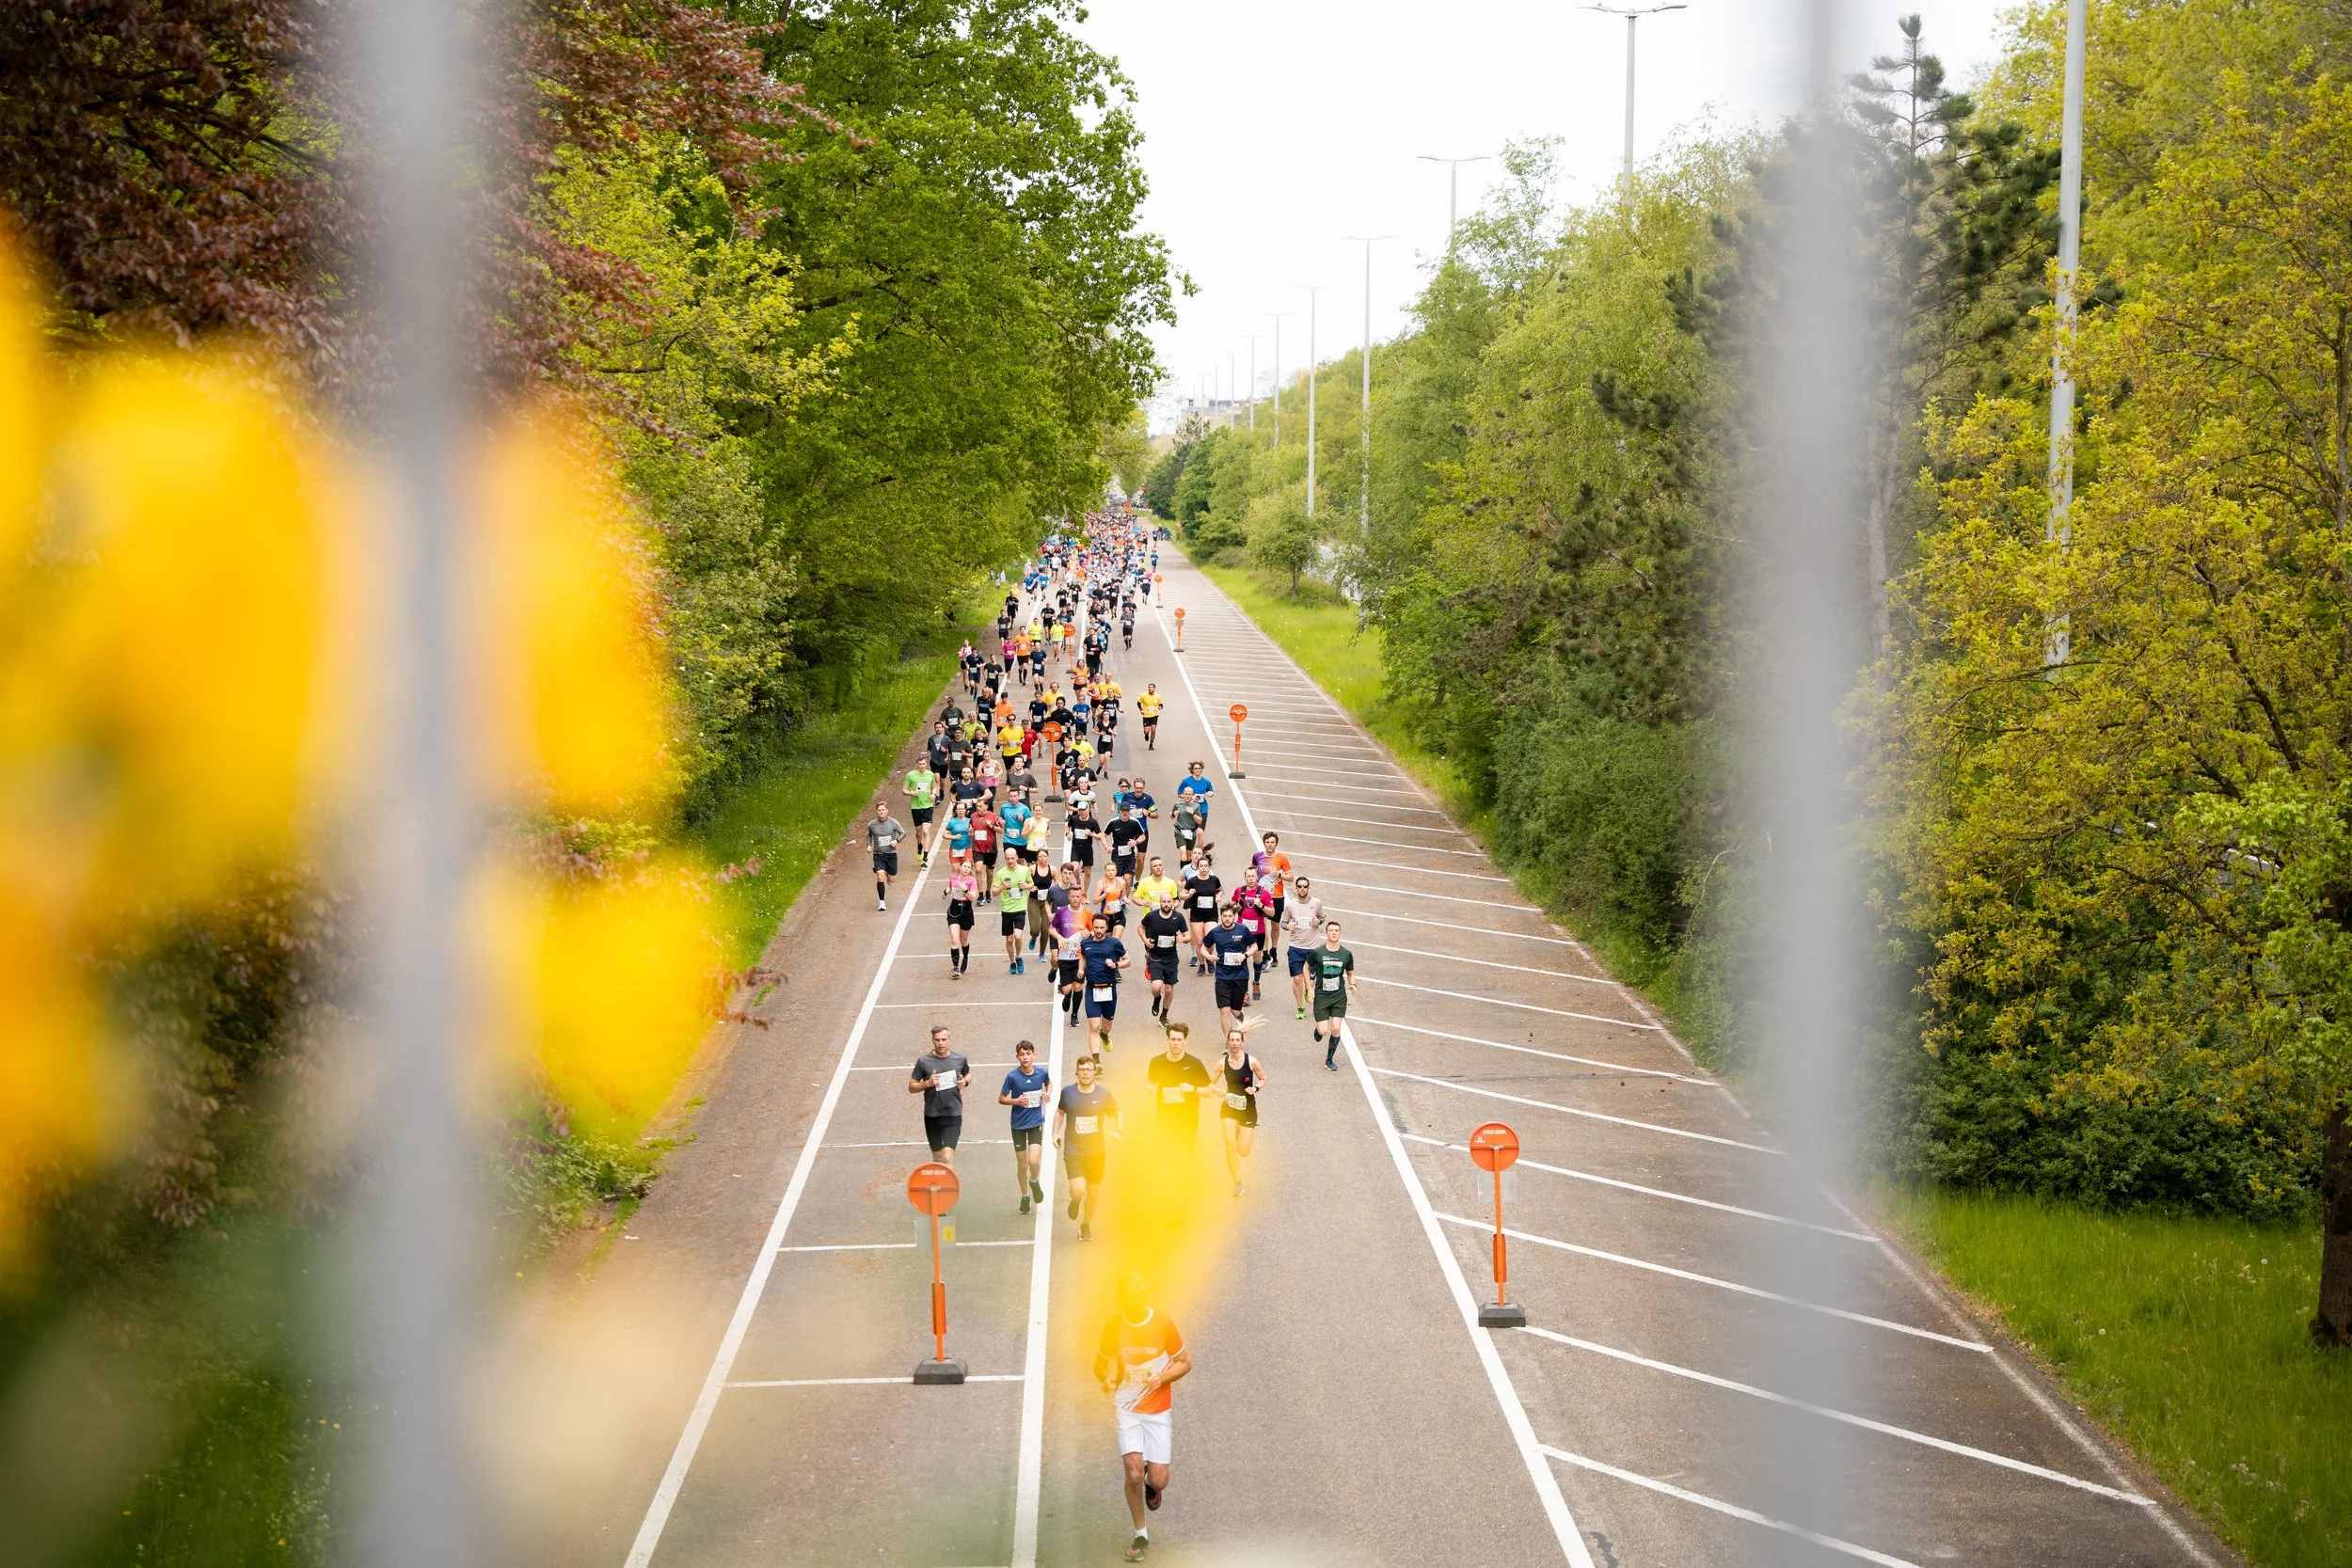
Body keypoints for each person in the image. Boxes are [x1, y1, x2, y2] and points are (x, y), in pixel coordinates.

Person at [1053, 1052, 1119, 1240]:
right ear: (1076, 1072)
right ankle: (1075, 1200)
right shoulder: (1068, 1092)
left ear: (1095, 1072)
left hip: (1097, 1152)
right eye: (1082, 1070)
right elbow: (1060, 1112)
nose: (1086, 1073)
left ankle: (1086, 1224)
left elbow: (1116, 1113)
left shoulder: (1104, 1094)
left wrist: (1117, 1130)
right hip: (1074, 1150)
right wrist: (1054, 1133)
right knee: (1079, 1190)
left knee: (1094, 1192)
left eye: (1089, 1070)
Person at [998, 1039, 1051, 1213]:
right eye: (1021, 1054)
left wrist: (1047, 1094)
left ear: (1034, 1054)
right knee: (1022, 1166)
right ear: (1017, 1057)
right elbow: (1001, 1098)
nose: (1025, 1057)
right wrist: (1016, 1101)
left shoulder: (1042, 1073)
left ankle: (1034, 1181)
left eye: (1028, 1054)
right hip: (1018, 1125)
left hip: (1036, 1123)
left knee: (1034, 1160)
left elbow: (1048, 1083)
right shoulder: (1012, 1077)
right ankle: (1025, 1196)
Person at [1217, 1021, 1268, 1196]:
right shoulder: (1222, 1064)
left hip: (1247, 1109)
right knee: (1229, 1145)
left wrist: (1255, 1088)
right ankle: (1237, 1181)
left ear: (1242, 1042)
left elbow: (1263, 1078)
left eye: (1237, 1040)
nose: (1234, 1043)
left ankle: (1242, 1130)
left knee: (1243, 1151)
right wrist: (1219, 1091)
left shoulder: (1252, 1061)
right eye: (1231, 1040)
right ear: (1228, 1042)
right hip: (1229, 1108)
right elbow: (1210, 1084)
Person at [908, 1026, 969, 1164]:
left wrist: (964, 1082)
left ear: (949, 1040)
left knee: (947, 1156)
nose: (940, 1043)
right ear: (932, 1041)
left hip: (953, 1114)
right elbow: (911, 1087)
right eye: (937, 1040)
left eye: (943, 1039)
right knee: (938, 1158)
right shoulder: (923, 1061)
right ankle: (941, 1184)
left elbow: (968, 1074)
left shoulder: (959, 1059)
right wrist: (927, 1084)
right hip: (932, 1115)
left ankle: (950, 1186)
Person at [1147, 1022, 1213, 1148]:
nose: (1176, 1043)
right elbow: (1151, 1082)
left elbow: (1208, 1091)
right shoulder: (1156, 1062)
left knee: (1185, 1152)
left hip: (1187, 1118)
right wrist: (1149, 1088)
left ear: (1185, 1041)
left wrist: (1192, 1089)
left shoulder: (1195, 1064)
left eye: (1179, 1040)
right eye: (1173, 1039)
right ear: (1168, 1040)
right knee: (1164, 1153)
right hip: (1164, 1116)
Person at [1202, 904, 1255, 1037]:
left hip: (1240, 976)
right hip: (1222, 976)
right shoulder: (1215, 932)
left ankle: (1243, 1023)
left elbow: (1254, 946)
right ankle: (1229, 1041)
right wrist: (1208, 956)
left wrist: (1245, 955)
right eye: (1224, 916)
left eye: (1230, 916)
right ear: (1221, 916)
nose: (1227, 919)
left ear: (1234, 916)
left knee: (1235, 1011)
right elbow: (1203, 947)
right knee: (1224, 1010)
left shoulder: (1242, 930)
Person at [1310, 920, 1358, 1070]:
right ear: (1326, 933)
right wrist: (1309, 988)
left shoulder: (1346, 954)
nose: (1334, 933)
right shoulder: (1318, 952)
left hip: (1339, 996)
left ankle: (1329, 1060)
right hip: (1322, 996)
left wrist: (1352, 984)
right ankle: (1318, 1030)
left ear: (1340, 933)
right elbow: (1306, 967)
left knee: (1336, 1028)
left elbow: (1351, 973)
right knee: (1324, 1030)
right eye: (1331, 930)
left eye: (1336, 930)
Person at [1079, 913, 1130, 1053]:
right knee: (1094, 1027)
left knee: (1106, 1027)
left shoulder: (1114, 943)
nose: (1099, 930)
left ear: (1107, 927)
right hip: (1092, 989)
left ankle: (1105, 1035)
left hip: (1109, 988)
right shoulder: (1085, 943)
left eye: (1102, 927)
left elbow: (1128, 960)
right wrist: (1080, 969)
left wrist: (1115, 964)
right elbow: (1082, 957)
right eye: (1096, 927)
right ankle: (1096, 1062)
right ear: (1093, 927)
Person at [1138, 890, 1188, 1022]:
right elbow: (1140, 927)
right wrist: (1145, 940)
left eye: (1168, 902)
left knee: (1169, 989)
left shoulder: (1178, 917)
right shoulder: (1152, 916)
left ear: (1173, 903)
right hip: (1155, 956)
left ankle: (1164, 1015)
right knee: (1156, 987)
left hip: (1171, 957)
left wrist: (1184, 939)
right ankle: (1157, 999)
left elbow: (1188, 935)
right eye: (1164, 902)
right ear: (1160, 903)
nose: (1166, 904)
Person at [1281, 875, 1326, 1019]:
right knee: (1297, 979)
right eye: (1299, 886)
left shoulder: (1316, 903)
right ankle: (1300, 1008)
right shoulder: (1290, 905)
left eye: (1304, 886)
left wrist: (1318, 921)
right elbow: (1283, 923)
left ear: (1308, 888)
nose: (1302, 889)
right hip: (1295, 947)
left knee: (1311, 982)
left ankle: (1309, 988)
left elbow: (1323, 917)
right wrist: (1288, 926)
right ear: (1296, 888)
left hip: (1312, 949)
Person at [942, 855, 979, 977]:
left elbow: (973, 897)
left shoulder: (972, 881)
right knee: (954, 940)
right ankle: (956, 968)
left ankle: (966, 957)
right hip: (954, 910)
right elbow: (950, 888)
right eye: (965, 866)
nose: (966, 869)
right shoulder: (953, 878)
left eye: (969, 867)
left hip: (966, 911)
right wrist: (945, 892)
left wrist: (965, 890)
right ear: (960, 866)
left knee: (963, 940)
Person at [1184, 850, 1221, 974]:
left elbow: (1220, 890)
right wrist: (1189, 894)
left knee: (1210, 940)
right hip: (1197, 914)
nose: (1203, 868)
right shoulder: (1192, 881)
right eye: (1201, 866)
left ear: (1208, 867)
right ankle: (1201, 965)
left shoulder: (1214, 879)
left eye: (1206, 866)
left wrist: (1219, 896)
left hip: (1211, 914)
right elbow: (1181, 895)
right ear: (1198, 867)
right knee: (1200, 941)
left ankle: (1209, 960)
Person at [866, 802, 906, 912]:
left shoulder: (893, 822)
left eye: (883, 809)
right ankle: (882, 902)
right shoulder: (872, 824)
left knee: (892, 879)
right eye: (879, 810)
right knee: (880, 876)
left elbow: (903, 833)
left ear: (887, 811)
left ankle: (885, 873)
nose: (881, 812)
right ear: (876, 811)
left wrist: (896, 840)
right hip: (878, 855)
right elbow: (869, 836)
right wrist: (869, 845)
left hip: (891, 855)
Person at [994, 855, 1030, 975]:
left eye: (1012, 858)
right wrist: (1002, 887)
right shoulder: (1000, 873)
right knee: (1009, 940)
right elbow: (994, 892)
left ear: (1016, 858)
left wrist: (1026, 886)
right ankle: (1012, 962)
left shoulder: (1025, 870)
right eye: (1008, 859)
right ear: (1005, 859)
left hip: (1020, 909)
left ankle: (1019, 957)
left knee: (1018, 935)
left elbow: (1032, 884)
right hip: (1007, 910)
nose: (1010, 861)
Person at [900, 759, 940, 863]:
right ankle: (919, 845)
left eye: (924, 764)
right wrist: (912, 793)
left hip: (928, 806)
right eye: (920, 764)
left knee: (926, 831)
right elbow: (904, 790)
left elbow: (934, 788)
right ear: (917, 764)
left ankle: (926, 855)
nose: (922, 766)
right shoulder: (910, 775)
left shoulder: (930, 774)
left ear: (926, 764)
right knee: (919, 832)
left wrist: (934, 795)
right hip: (916, 807)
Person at [1175, 761, 1213, 827]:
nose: (1198, 770)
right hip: (1190, 808)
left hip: (1202, 809)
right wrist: (1190, 797)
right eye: (1196, 768)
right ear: (1192, 770)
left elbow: (1210, 791)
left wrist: (1211, 793)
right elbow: (1179, 794)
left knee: (1200, 832)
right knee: (1191, 832)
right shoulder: (1186, 781)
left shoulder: (1206, 782)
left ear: (1201, 769)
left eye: (1199, 768)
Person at [1137, 683, 1162, 750]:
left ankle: (1151, 744)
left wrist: (1160, 707)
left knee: (1153, 730)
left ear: (1154, 688)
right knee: (1146, 731)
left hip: (1154, 715)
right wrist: (1141, 710)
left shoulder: (1158, 696)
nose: (1150, 688)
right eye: (1149, 687)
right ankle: (1146, 734)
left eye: (1151, 687)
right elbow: (1138, 703)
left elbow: (1161, 704)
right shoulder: (1144, 695)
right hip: (1146, 716)